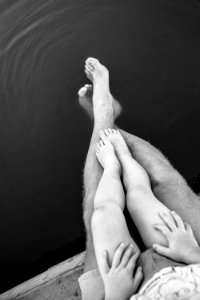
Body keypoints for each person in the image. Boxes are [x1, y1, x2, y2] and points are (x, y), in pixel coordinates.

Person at [77, 57, 200, 299]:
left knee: (97, 212)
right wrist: (193, 255)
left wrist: (115, 294)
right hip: (191, 266)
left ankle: (104, 115)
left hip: (124, 289)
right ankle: (108, 118)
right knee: (165, 182)